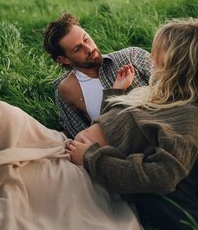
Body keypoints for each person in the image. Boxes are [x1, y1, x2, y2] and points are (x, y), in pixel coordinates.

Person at [67, 19, 198, 230]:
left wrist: (90, 158)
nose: (151, 55)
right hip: (70, 151)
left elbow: (163, 176)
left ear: (179, 61)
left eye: (159, 50)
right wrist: (117, 93)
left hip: (85, 173)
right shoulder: (154, 93)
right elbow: (112, 124)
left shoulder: (186, 117)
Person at [0, 101, 142, 230]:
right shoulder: (145, 93)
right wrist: (116, 92)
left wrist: (90, 156)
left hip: (86, 169)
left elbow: (153, 175)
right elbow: (103, 119)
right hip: (59, 143)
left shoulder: (162, 125)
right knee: (3, 111)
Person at [43, 12, 152, 138]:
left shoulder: (131, 56)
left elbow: (171, 87)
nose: (88, 48)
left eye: (86, 39)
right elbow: (85, 137)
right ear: (64, 59)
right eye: (77, 49)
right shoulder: (66, 91)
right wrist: (116, 91)